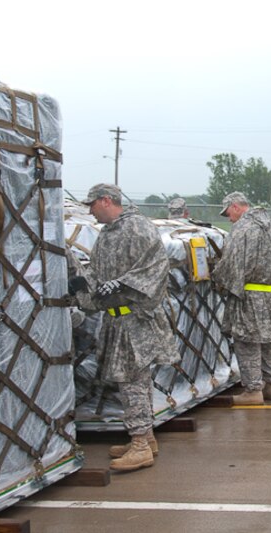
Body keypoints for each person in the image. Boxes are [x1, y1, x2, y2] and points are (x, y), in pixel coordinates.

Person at [69, 183, 179, 472]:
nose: (90, 211)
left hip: (135, 321)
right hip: (118, 320)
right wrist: (84, 287)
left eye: (92, 204)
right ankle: (145, 439)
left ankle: (141, 445)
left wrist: (121, 284)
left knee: (132, 382)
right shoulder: (108, 234)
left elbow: (154, 267)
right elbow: (97, 275)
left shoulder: (138, 228)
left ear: (106, 201)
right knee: (134, 383)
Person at [211, 191, 271, 404]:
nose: (229, 218)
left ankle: (253, 390)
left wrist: (216, 277)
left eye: (228, 212)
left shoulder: (242, 228)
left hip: (248, 295)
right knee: (267, 342)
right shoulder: (269, 227)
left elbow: (231, 263)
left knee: (246, 342)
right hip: (269, 293)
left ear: (236, 206)